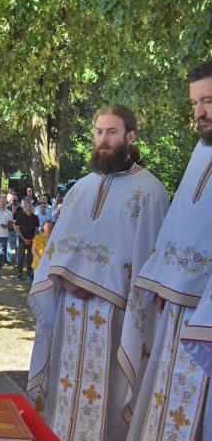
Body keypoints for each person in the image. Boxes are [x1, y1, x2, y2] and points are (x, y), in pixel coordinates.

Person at [27, 105, 169, 440]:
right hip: (71, 313)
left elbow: (149, 264)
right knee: (65, 399)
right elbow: (59, 249)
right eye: (99, 132)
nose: (103, 140)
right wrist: (66, 279)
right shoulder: (80, 188)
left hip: (116, 318)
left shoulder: (150, 192)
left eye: (112, 133)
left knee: (108, 404)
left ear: (130, 137)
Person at [121, 61, 212, 440]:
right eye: (195, 103)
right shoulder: (201, 151)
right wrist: (161, 281)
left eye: (208, 101)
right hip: (176, 308)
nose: (199, 113)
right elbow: (178, 223)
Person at [14, 201, 39, 281]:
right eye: (27, 206)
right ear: (25, 207)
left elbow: (36, 229)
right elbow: (17, 229)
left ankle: (29, 274)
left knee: (30, 257)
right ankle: (19, 274)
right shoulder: (21, 216)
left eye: (30, 206)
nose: (29, 207)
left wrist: (32, 239)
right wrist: (24, 239)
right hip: (22, 240)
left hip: (32, 241)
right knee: (21, 257)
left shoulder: (35, 217)